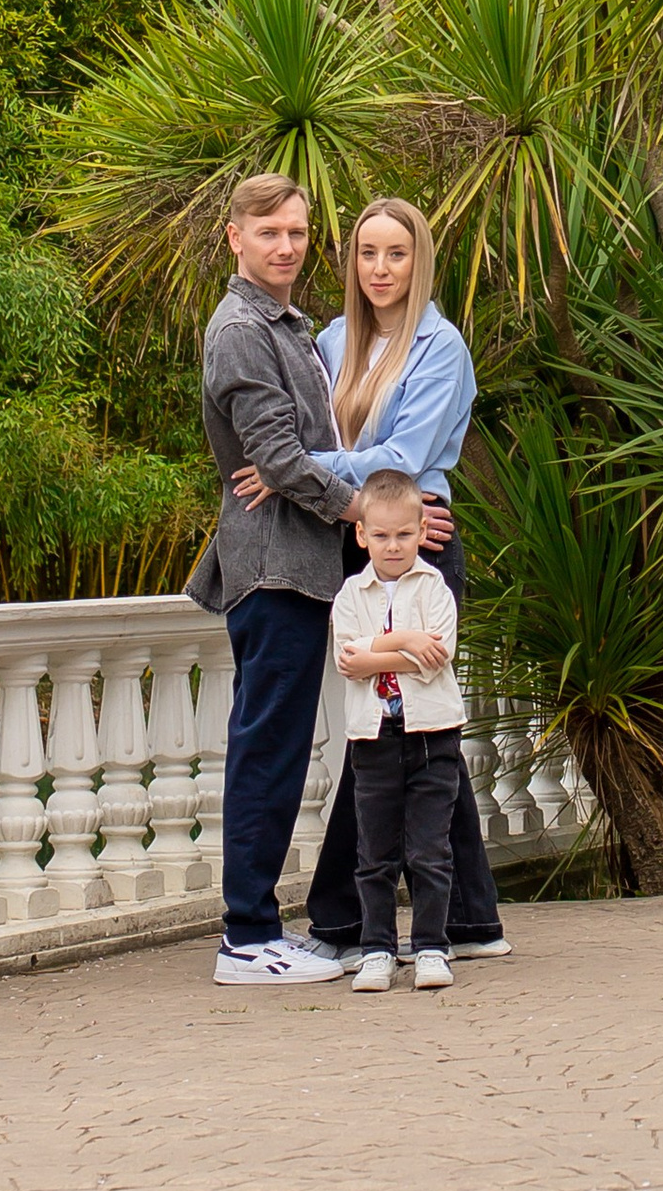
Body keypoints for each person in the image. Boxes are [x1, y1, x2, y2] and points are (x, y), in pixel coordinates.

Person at [229, 194, 511, 958]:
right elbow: (315, 430)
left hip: (419, 549)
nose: (380, 267)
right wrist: (322, 480)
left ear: (419, 260)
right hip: (354, 544)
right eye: (367, 252)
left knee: (401, 723)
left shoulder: (440, 346)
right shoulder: (330, 339)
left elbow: (404, 460)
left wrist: (295, 470)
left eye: (396, 252)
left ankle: (339, 918)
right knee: (414, 728)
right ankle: (473, 920)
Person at [185, 170, 355, 986]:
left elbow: (292, 453)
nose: (285, 245)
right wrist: (363, 509)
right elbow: (279, 459)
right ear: (235, 238)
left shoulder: (289, 324)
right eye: (268, 232)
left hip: (301, 561)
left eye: (296, 231)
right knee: (267, 751)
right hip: (272, 567)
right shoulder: (241, 329)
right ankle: (247, 936)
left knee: (279, 747)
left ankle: (257, 929)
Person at [331, 470, 464, 993]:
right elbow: (349, 662)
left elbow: (435, 660)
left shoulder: (435, 588)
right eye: (381, 535)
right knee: (375, 852)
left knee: (430, 849)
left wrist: (378, 649)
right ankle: (377, 949)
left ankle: (431, 945)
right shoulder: (349, 595)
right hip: (373, 738)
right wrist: (407, 638)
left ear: (420, 530)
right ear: (362, 534)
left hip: (432, 733)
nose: (393, 546)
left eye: (404, 535)